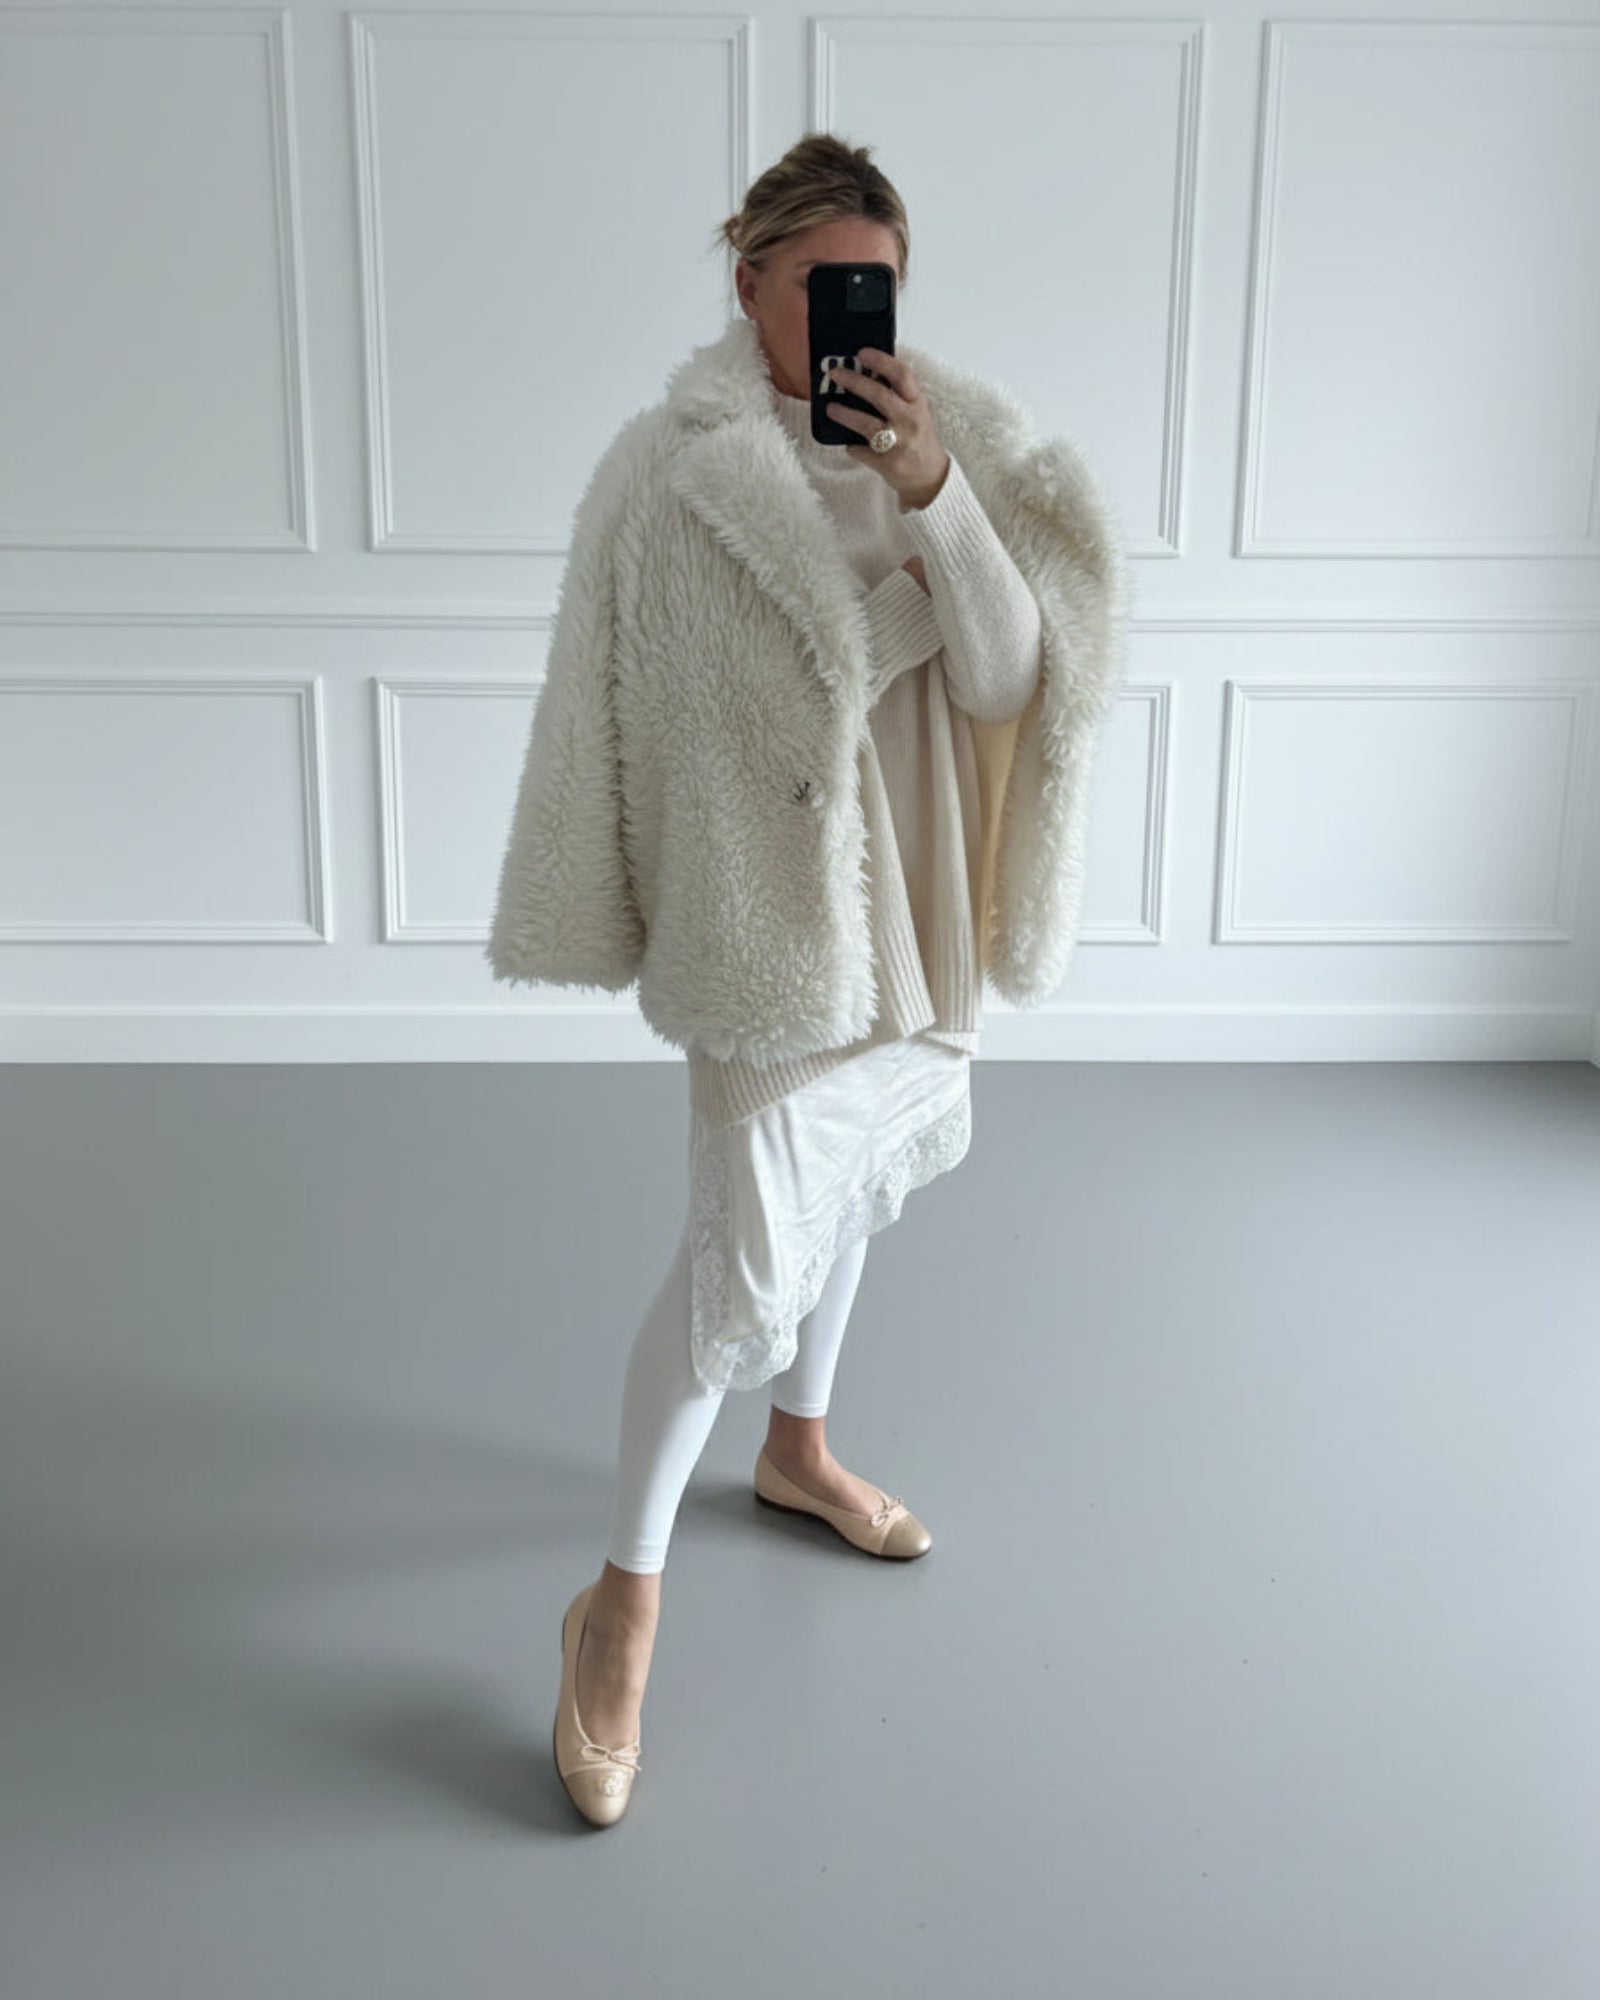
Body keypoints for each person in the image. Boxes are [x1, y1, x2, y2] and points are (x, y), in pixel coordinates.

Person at [486, 134, 1130, 1826]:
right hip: (766, 918)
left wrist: (934, 494)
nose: (854, 313)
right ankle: (618, 1607)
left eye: (879, 285)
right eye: (823, 282)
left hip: (919, 893)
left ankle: (798, 1450)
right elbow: (635, 711)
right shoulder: (671, 474)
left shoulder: (948, 440)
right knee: (738, 1265)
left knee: (852, 1189)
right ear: (752, 281)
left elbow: (1008, 677)